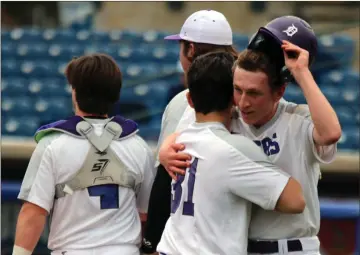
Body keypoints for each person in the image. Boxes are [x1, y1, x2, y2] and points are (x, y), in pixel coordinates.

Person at [160, 16, 342, 255]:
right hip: (243, 247)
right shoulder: (230, 115)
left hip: (294, 247)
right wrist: (165, 150)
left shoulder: (298, 119)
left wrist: (301, 72)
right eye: (238, 90)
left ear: (279, 92)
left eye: (254, 93)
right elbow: (189, 133)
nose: (243, 102)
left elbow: (330, 134)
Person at [156, 51, 306, 255]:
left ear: (190, 100)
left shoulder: (178, 141)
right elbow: (295, 201)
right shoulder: (234, 148)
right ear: (233, 99)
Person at [13, 54, 156, 255]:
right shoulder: (138, 145)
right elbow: (146, 216)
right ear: (115, 95)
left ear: (75, 92)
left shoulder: (52, 144)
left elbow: (33, 212)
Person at [140, 9, 238, 254]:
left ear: (191, 49)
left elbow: (166, 179)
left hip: (186, 237)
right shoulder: (248, 96)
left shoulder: (183, 102)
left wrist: (151, 242)